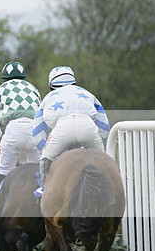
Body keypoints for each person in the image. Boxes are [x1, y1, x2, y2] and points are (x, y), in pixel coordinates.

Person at [32, 65, 110, 196]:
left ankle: (44, 191)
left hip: (63, 128)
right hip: (88, 127)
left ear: (51, 85)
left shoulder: (49, 97)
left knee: (46, 159)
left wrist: (44, 150)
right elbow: (104, 124)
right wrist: (99, 141)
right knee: (104, 161)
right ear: (73, 81)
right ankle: (109, 189)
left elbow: (37, 130)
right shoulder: (87, 93)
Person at [0, 61, 42, 217]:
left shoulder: (1, 89)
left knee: (2, 173)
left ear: (4, 77)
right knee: (40, 172)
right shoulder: (33, 89)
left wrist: (0, 136)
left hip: (13, 131)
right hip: (35, 131)